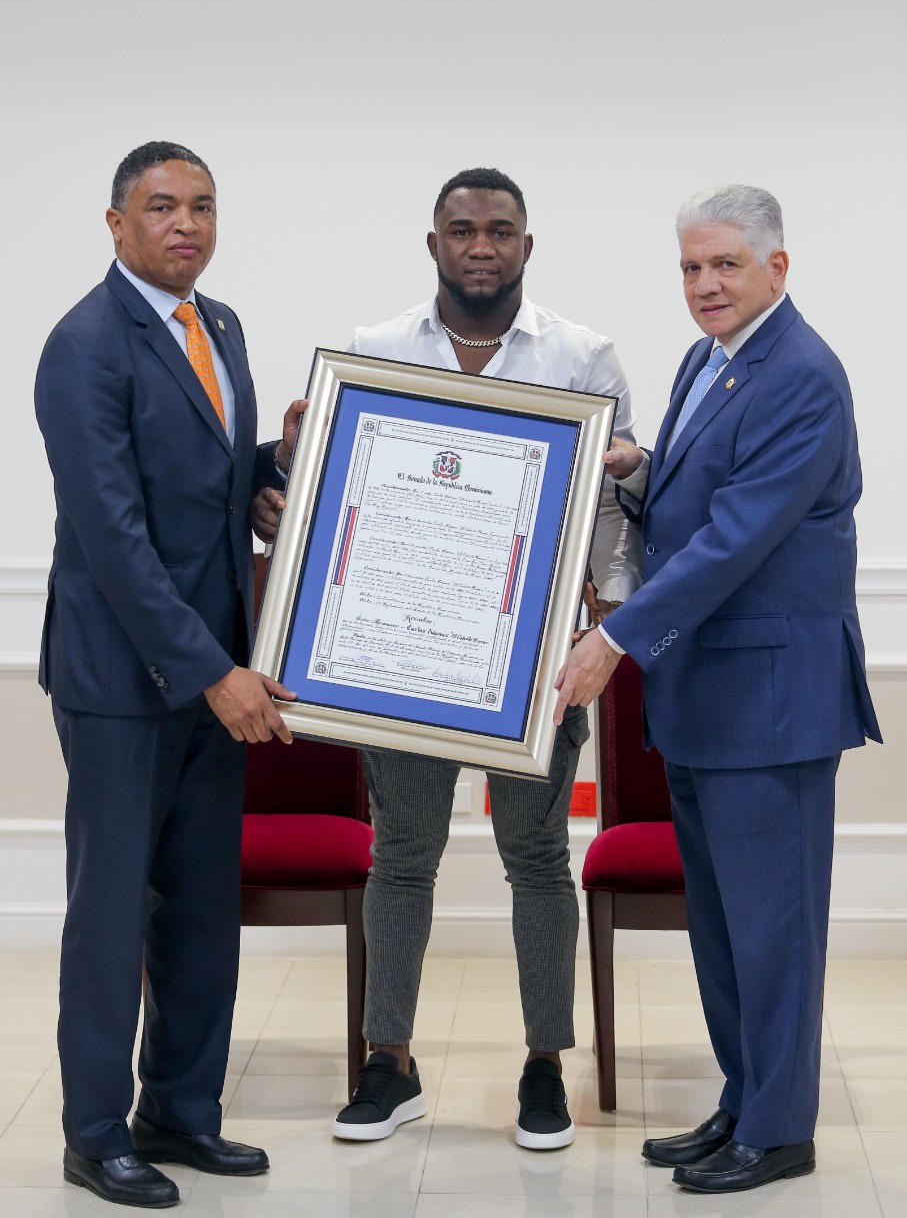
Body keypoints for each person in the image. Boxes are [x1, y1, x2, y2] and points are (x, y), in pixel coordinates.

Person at [257, 166, 642, 1149]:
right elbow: (340, 498)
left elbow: (604, 519)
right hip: (400, 662)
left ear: (526, 244)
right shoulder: (374, 352)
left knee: (537, 864)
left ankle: (543, 1067)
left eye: (500, 230)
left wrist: (608, 627)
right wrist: (295, 479)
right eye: (462, 230)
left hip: (534, 670)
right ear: (432, 244)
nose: (481, 246)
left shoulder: (582, 355)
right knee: (403, 859)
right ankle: (389, 1064)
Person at [555, 184, 881, 1193]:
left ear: (776, 268)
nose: (704, 285)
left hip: (771, 702)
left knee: (773, 928)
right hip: (708, 697)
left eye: (725, 266)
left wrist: (616, 640)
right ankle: (744, 1100)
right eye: (691, 267)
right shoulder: (709, 360)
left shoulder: (802, 375)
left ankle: (780, 1129)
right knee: (728, 926)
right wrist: (639, 468)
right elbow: (705, 495)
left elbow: (738, 538)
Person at [35, 141, 305, 1209]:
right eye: (160, 207)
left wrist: (274, 467)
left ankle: (181, 1111)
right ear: (115, 224)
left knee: (199, 905)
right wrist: (212, 672)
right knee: (109, 913)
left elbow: (198, 480)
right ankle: (96, 1133)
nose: (184, 224)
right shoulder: (84, 345)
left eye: (200, 205)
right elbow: (113, 534)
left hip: (211, 674)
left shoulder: (220, 326)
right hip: (124, 678)